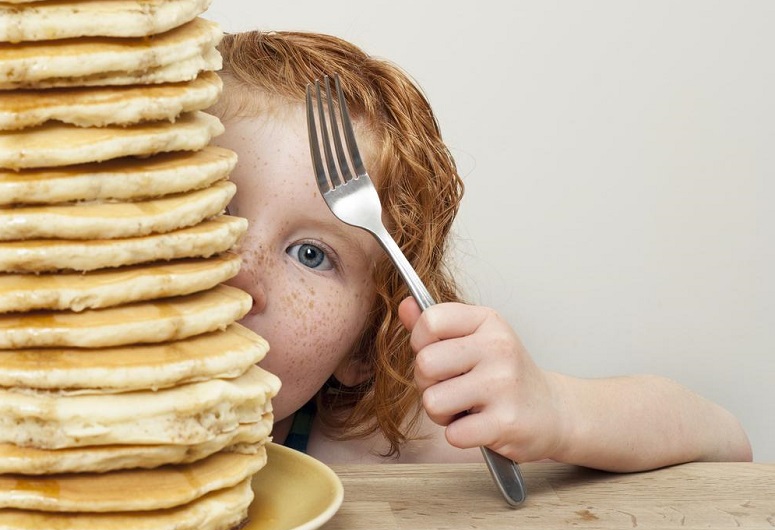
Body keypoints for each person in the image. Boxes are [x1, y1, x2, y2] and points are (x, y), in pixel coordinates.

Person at [209, 30, 752, 469]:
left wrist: (559, 410)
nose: (241, 278)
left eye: (311, 254)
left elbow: (722, 441)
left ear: (361, 350)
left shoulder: (360, 447)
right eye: (208, 216)